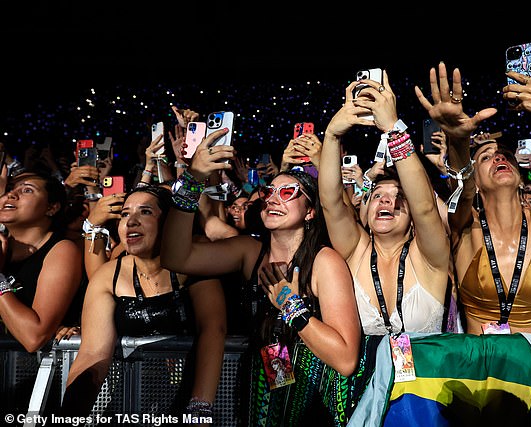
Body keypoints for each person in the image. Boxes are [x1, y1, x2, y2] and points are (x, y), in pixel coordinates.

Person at [160, 128, 360, 427]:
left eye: (289, 192)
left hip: (317, 402)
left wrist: (289, 303)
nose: (273, 198)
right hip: (262, 395)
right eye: (268, 191)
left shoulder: (324, 261)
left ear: (310, 212)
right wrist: (192, 178)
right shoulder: (250, 253)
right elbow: (175, 257)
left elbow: (345, 360)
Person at [318, 70, 451, 424]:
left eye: (397, 198)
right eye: (377, 195)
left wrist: (394, 129)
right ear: (365, 207)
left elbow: (425, 207)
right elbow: (332, 203)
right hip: (359, 400)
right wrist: (332, 135)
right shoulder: (355, 251)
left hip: (426, 402)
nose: (386, 202)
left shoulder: (432, 259)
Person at [418, 62, 531, 336]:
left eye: (505, 155)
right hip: (480, 373)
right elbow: (463, 194)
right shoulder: (466, 226)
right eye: (485, 157)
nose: (498, 157)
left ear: (520, 178)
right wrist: (459, 141)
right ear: (476, 179)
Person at [59, 185, 226, 421]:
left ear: (170, 222)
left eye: (145, 212)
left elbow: (213, 330)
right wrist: (70, 416)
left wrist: (198, 412)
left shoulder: (197, 258)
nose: (131, 222)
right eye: (125, 214)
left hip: (206, 395)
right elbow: (92, 354)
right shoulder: (108, 276)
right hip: (137, 401)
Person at [0, 170, 84, 352]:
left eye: (27, 190)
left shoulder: (62, 251)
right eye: (8, 189)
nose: (11, 194)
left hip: (30, 372)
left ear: (51, 207)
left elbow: (33, 337)